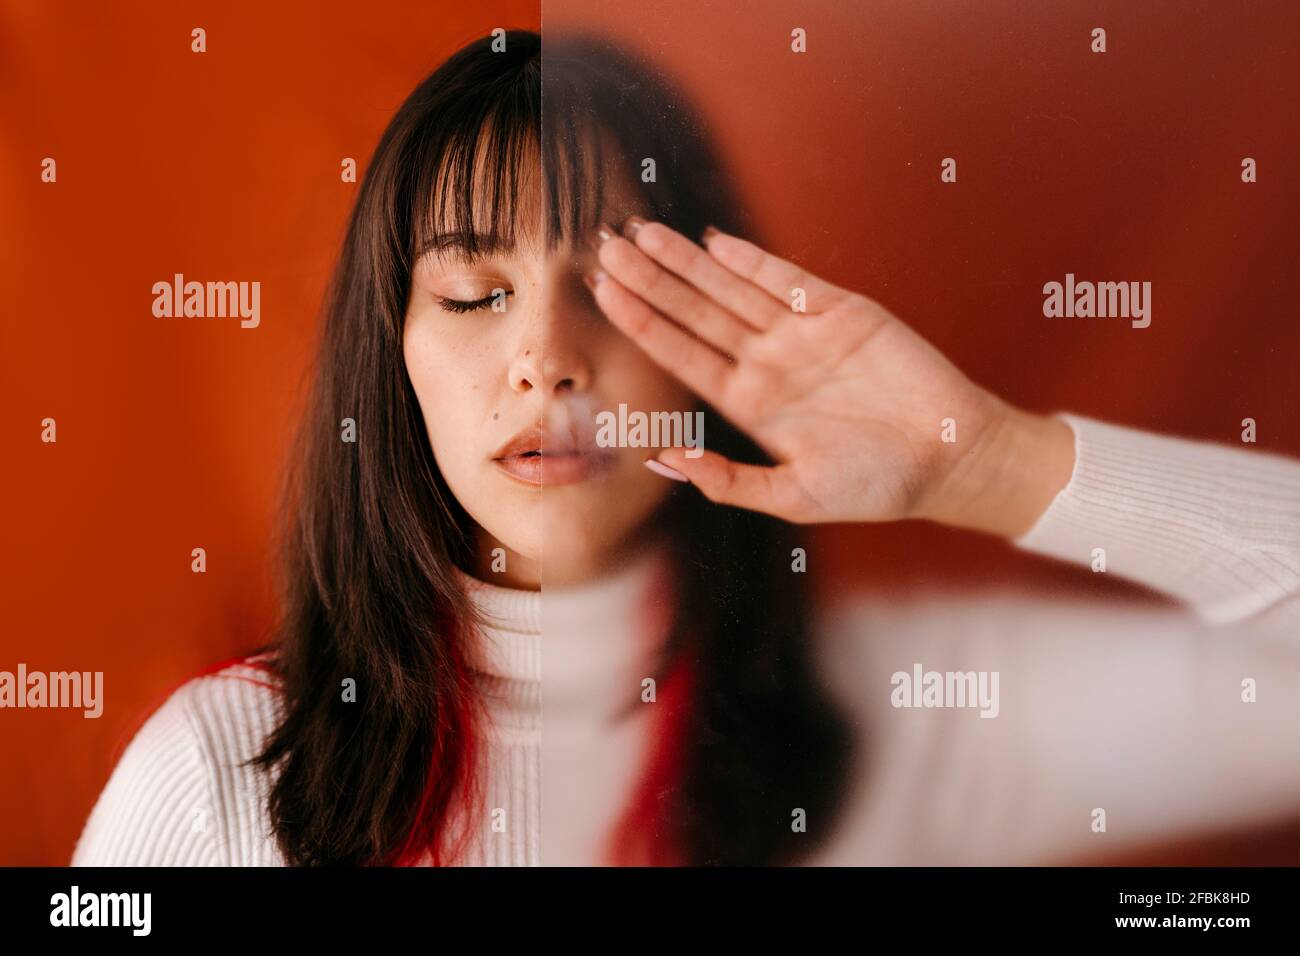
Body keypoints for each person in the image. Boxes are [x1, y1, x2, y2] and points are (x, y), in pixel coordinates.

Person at [71, 29, 1300, 867]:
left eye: (613, 284)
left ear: (713, 345)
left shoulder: (915, 715)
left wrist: (982, 461)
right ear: (388, 361)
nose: (546, 357)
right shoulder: (220, 777)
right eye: (471, 292)